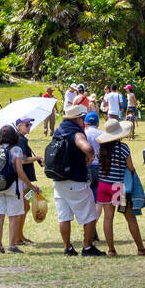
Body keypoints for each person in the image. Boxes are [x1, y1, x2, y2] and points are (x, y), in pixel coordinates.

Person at [45, 103, 103, 256]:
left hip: (58, 180)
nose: (84, 121)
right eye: (82, 118)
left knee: (64, 216)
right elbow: (88, 148)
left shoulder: (58, 131)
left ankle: (68, 248)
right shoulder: (76, 133)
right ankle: (87, 247)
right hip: (75, 179)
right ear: (78, 119)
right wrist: (90, 158)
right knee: (90, 214)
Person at [94, 118, 145, 256]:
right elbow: (130, 168)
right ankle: (141, 248)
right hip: (117, 188)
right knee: (130, 217)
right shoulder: (123, 148)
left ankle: (111, 249)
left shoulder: (101, 148)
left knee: (108, 218)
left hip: (103, 186)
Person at [0, 124, 42, 254]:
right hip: (13, 187)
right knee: (14, 215)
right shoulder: (16, 150)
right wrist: (32, 186)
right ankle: (12, 245)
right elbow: (20, 171)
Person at [11, 115, 44, 246]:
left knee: (25, 206)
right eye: (27, 125)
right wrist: (37, 158)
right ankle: (18, 238)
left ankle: (20, 235)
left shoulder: (20, 139)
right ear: (19, 127)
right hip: (23, 179)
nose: (29, 127)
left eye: (30, 124)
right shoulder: (21, 140)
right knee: (24, 207)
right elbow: (23, 160)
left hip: (23, 180)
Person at [83, 110, 102, 202]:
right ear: (98, 123)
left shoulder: (83, 135)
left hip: (87, 166)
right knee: (98, 196)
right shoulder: (102, 134)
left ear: (85, 123)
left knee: (87, 195)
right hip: (100, 166)